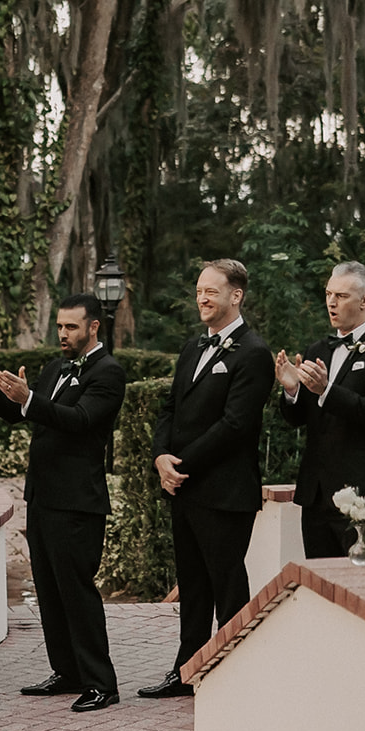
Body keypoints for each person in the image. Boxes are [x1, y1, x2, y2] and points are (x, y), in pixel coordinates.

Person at [0, 294, 126, 712]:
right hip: (43, 497)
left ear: (93, 327)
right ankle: (67, 672)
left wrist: (30, 398)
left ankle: (101, 683)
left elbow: (79, 420)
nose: (62, 334)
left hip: (78, 502)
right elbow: (21, 413)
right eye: (59, 326)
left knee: (77, 591)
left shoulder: (108, 372)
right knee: (49, 591)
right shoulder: (55, 368)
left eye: (71, 327)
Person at [141, 259, 274, 699]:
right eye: (199, 291)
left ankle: (237, 676)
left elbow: (235, 425)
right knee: (193, 586)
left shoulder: (253, 353)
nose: (202, 298)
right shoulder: (193, 348)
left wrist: (180, 464)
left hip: (225, 492)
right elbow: (169, 408)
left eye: (211, 291)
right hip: (185, 489)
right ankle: (186, 672)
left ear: (236, 295)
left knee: (227, 587)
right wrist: (160, 456)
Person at [275, 262, 365, 557]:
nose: (331, 302)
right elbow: (298, 419)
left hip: (363, 497)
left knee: (362, 581)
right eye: (328, 294)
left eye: (342, 296)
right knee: (319, 580)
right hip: (316, 496)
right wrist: (291, 390)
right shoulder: (317, 350)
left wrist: (327, 390)